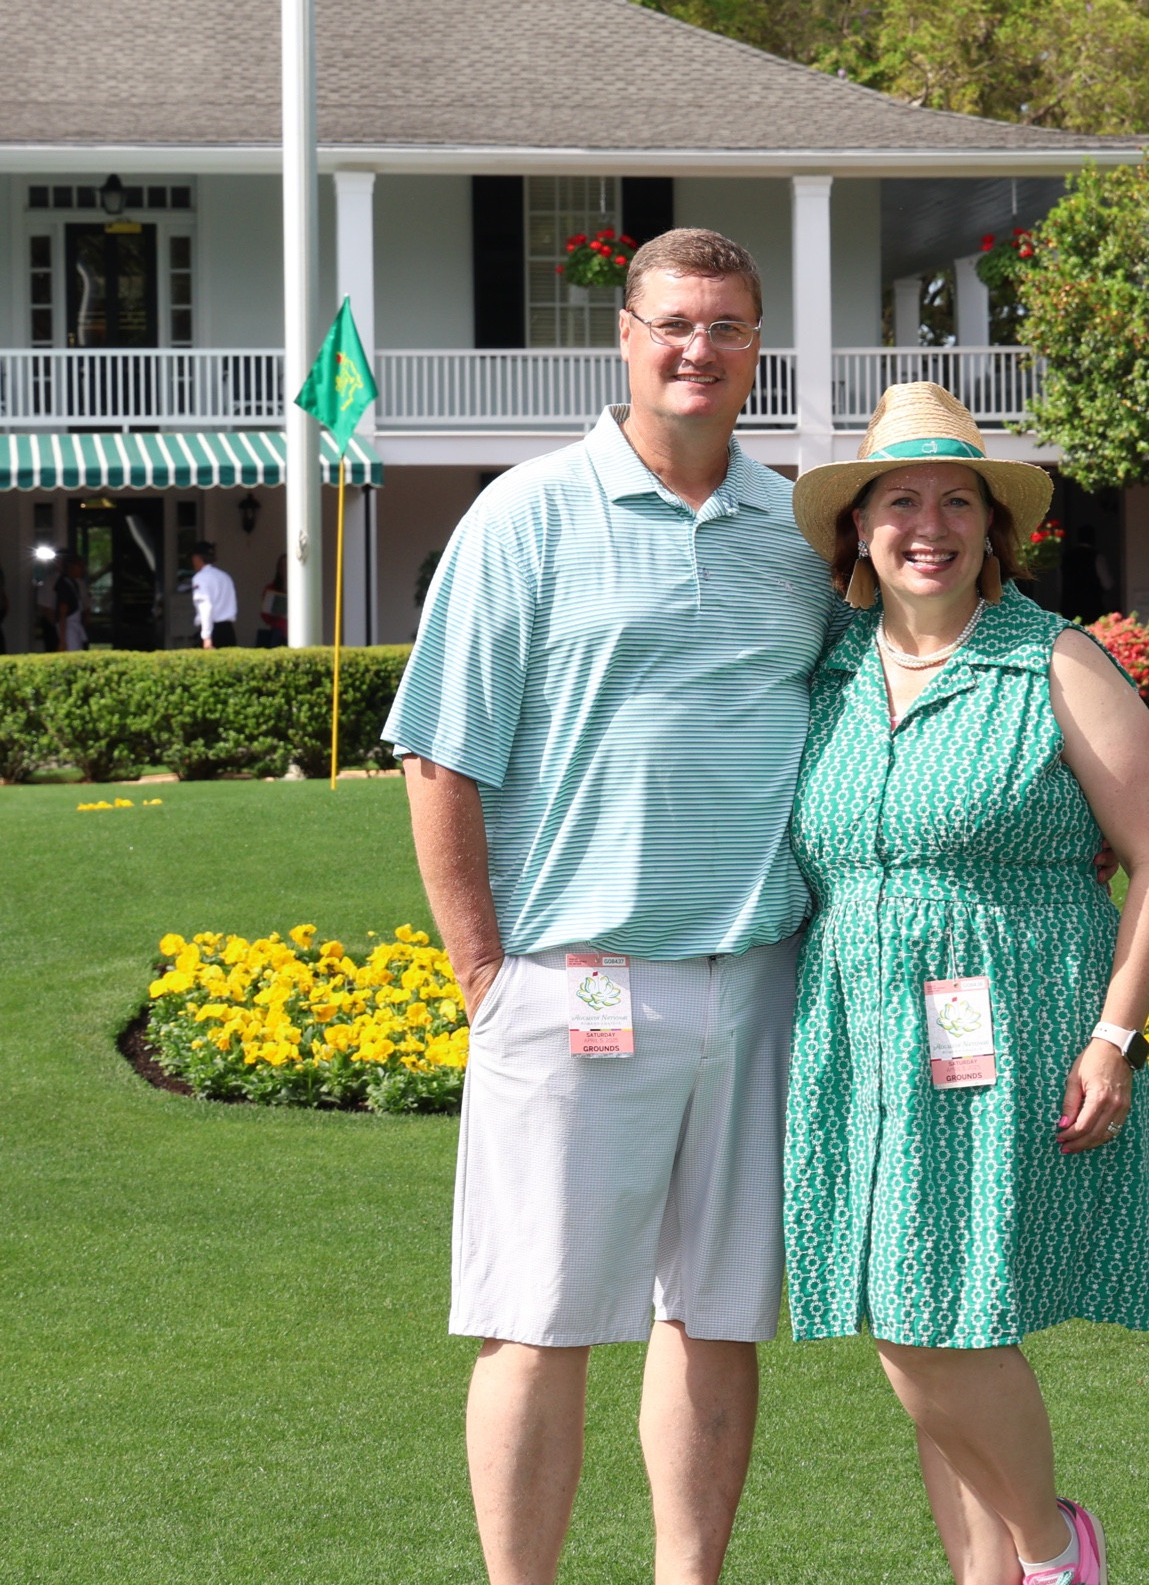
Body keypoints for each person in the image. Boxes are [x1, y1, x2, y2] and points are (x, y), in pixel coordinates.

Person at [383, 230, 841, 1585]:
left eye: (728, 325)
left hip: (755, 978)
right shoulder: (525, 514)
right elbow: (439, 752)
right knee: (539, 1320)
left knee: (717, 1315)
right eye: (673, 323)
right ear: (625, 338)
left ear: (757, 349)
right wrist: (485, 972)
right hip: (571, 975)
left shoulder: (798, 535)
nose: (699, 348)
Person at [782, 383, 1149, 1585]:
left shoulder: (1052, 658)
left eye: (956, 500)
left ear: (993, 529)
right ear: (858, 529)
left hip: (1009, 1026)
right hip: (858, 1032)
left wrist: (1113, 1035)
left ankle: (1056, 1552)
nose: (930, 524)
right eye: (900, 500)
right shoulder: (830, 669)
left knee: (927, 1323)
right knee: (933, 1314)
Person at [190, 542, 238, 648]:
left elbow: (205, 606)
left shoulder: (200, 578)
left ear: (197, 558)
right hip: (228, 630)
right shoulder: (225, 577)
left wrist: (206, 637)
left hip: (213, 632)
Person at [54, 551, 88, 652]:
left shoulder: (73, 583)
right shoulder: (63, 585)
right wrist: (63, 640)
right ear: (71, 567)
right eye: (80, 566)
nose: (82, 569)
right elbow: (62, 612)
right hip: (68, 628)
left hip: (74, 625)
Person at [256, 555, 289, 648]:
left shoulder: (301, 588)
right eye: (282, 566)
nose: (285, 568)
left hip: (297, 630)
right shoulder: (271, 589)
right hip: (278, 632)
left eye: (287, 565)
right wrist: (275, 614)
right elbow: (265, 615)